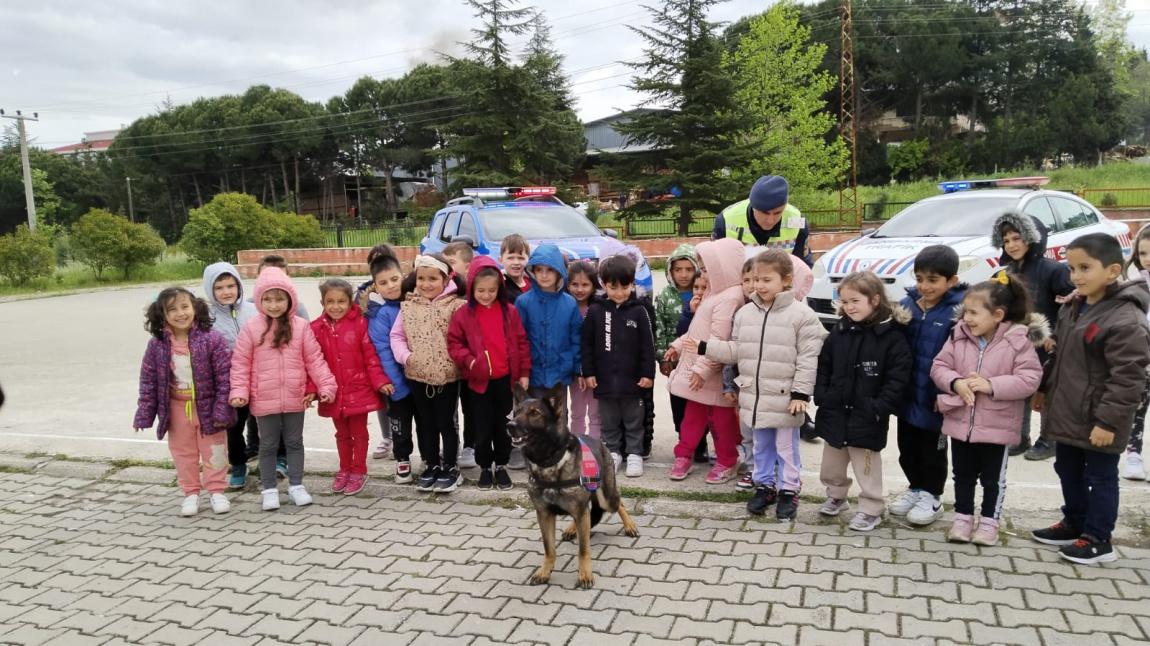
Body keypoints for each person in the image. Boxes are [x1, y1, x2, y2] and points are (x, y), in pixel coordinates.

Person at [1032, 233, 1150, 565]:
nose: (1076, 276)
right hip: (1069, 411)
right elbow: (1060, 354)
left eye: (1085, 267)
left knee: (1100, 477)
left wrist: (1108, 422)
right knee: (1066, 468)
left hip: (1101, 419)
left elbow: (1129, 377)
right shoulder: (1074, 305)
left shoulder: (1125, 318)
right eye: (1071, 268)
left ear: (1113, 270)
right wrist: (1044, 389)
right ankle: (1075, 523)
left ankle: (1099, 538)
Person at [688, 250, 826, 520]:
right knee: (761, 446)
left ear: (786, 280)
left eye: (766, 280)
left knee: (787, 448)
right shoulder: (745, 313)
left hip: (787, 399)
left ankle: (789, 488)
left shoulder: (802, 315)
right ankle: (765, 486)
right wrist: (707, 347)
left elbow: (809, 359)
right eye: (754, 279)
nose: (759, 285)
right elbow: (738, 350)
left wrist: (801, 393)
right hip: (755, 397)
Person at [931, 273, 1044, 545]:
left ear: (997, 314)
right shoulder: (958, 336)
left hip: (998, 425)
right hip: (960, 422)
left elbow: (1029, 379)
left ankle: (990, 523)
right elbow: (939, 366)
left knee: (993, 480)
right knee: (962, 475)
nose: (967, 318)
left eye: (973, 312)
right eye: (965, 311)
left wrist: (990, 385)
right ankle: (962, 518)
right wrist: (956, 382)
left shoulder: (1017, 340)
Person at [230, 268, 336, 511]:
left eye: (279, 299)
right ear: (259, 300)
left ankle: (297, 485)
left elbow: (314, 360)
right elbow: (240, 363)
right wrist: (239, 391)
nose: (274, 305)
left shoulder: (300, 327)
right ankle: (268, 489)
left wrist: (325, 385)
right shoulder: (251, 328)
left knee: (294, 442)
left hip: (294, 397)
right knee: (266, 445)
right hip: (263, 399)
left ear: (290, 299)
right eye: (267, 299)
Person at [815, 271, 911, 531]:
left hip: (868, 417)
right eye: (844, 302)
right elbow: (824, 364)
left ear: (875, 299)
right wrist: (821, 394)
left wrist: (879, 407)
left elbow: (897, 378)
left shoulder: (891, 337)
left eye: (855, 301)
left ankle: (871, 508)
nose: (848, 307)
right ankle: (836, 495)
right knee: (831, 464)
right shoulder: (840, 331)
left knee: (867, 468)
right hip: (835, 411)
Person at [134, 287, 236, 517]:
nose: (180, 313)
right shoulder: (157, 345)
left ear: (195, 308)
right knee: (183, 453)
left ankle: (217, 491)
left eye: (184, 307)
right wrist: (144, 413)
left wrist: (222, 409)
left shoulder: (212, 339)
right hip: (177, 408)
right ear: (162, 314)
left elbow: (224, 376)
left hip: (208, 408)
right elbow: (148, 380)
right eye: (172, 309)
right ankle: (190, 493)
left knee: (215, 450)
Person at [893, 245, 969, 527]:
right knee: (906, 447)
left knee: (932, 451)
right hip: (907, 393)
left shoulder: (958, 313)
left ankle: (932, 495)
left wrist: (945, 392)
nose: (924, 286)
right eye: (920, 279)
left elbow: (963, 358)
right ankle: (914, 488)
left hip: (935, 397)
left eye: (933, 280)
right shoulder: (908, 305)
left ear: (952, 281)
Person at [664, 238, 748, 486]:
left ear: (724, 267)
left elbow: (718, 340)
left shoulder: (730, 298)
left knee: (722, 423)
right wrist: (677, 346)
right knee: (691, 420)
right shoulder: (715, 293)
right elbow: (696, 331)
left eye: (708, 267)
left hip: (711, 374)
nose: (704, 273)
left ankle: (727, 461)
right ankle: (684, 455)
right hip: (699, 375)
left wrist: (701, 369)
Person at [990, 211, 1073, 460]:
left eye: (1017, 238)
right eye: (1006, 240)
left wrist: (1054, 335)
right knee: (1020, 390)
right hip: (1016, 343)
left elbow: (1070, 305)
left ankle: (1049, 440)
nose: (1012, 245)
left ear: (1032, 238)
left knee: (1047, 391)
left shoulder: (1054, 271)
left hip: (1046, 343)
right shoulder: (1004, 273)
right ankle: (1020, 437)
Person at [447, 256, 531, 490]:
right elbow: (454, 343)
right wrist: (470, 362)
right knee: (482, 427)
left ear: (500, 289)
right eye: (481, 290)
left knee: (503, 426)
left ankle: (501, 465)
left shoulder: (510, 312)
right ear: (472, 287)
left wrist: (523, 373)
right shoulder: (463, 314)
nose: (486, 295)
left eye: (492, 290)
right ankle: (485, 466)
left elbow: (522, 343)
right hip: (478, 383)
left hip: (505, 382)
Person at [390, 253, 467, 493]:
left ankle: (451, 467)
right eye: (421, 278)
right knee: (426, 423)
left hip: (448, 377)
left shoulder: (456, 306)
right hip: (418, 376)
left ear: (446, 280)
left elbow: (464, 337)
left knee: (446, 423)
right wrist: (407, 357)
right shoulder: (408, 306)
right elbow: (397, 336)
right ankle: (432, 464)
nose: (426, 284)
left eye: (433, 278)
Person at [310, 279, 392, 496]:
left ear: (349, 302)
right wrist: (311, 389)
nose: (336, 307)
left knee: (359, 433)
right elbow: (311, 362)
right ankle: (344, 469)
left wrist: (380, 381)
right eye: (330, 302)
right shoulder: (316, 328)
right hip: (334, 392)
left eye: (341, 302)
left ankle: (359, 470)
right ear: (322, 302)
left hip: (359, 390)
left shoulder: (360, 324)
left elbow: (371, 357)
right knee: (341, 434)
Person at [582, 255, 657, 476]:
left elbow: (648, 345)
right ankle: (612, 453)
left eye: (625, 286)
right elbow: (586, 344)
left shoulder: (639, 311)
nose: (620, 292)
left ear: (633, 283)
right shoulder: (595, 311)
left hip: (633, 382)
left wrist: (647, 373)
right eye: (613, 287)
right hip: (604, 381)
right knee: (609, 421)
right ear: (604, 285)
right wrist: (588, 372)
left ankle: (634, 454)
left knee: (635, 420)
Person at [201, 262, 259, 489]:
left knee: (264, 424)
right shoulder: (206, 319)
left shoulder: (254, 310)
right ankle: (238, 464)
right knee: (233, 427)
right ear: (210, 290)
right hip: (228, 383)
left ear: (239, 285)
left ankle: (271, 461)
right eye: (219, 288)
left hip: (256, 378)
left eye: (230, 286)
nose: (226, 292)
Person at [515, 243, 583, 429]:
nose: (544, 275)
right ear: (532, 272)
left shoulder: (569, 303)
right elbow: (518, 339)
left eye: (550, 270)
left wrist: (579, 368)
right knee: (532, 418)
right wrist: (521, 371)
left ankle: (558, 455)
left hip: (560, 372)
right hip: (533, 373)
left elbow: (576, 338)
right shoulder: (523, 302)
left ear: (559, 272)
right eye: (539, 270)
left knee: (559, 417)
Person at [366, 251, 417, 485]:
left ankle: (431, 458)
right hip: (397, 383)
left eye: (394, 279)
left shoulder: (415, 299)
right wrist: (397, 383)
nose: (390, 286)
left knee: (428, 422)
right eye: (383, 283)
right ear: (375, 286)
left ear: (403, 275)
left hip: (423, 377)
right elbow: (383, 351)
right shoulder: (380, 313)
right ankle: (403, 459)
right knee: (400, 424)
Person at [356, 243, 402, 462]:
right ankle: (388, 437)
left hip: (405, 356)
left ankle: (402, 440)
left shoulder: (406, 289)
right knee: (385, 401)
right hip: (379, 356)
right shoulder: (365, 296)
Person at [712, 175, 812, 266]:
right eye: (765, 213)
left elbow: (802, 267)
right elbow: (716, 266)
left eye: (778, 213)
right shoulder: (725, 221)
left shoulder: (798, 222)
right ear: (753, 206)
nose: (770, 220)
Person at [444, 240, 478, 470]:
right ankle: (451, 445)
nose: (447, 267)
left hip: (470, 364)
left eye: (451, 263)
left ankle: (470, 445)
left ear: (468, 264)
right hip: (446, 364)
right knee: (450, 408)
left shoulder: (474, 294)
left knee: (470, 406)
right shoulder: (443, 291)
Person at [1123, 222, 1150, 482]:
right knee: (1138, 406)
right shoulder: (1136, 284)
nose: (1148, 259)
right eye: (1143, 254)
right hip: (1143, 357)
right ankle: (1133, 455)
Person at [567, 260, 602, 439]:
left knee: (596, 413)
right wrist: (578, 369)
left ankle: (595, 448)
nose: (579, 289)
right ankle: (578, 447)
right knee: (577, 411)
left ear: (593, 285)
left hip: (596, 370)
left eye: (585, 284)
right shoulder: (566, 307)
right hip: (575, 371)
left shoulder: (599, 308)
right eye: (574, 284)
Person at [500, 234, 531, 304]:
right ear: (500, 260)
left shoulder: (534, 284)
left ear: (528, 260)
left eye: (521, 258)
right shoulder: (498, 286)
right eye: (510, 258)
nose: (516, 262)